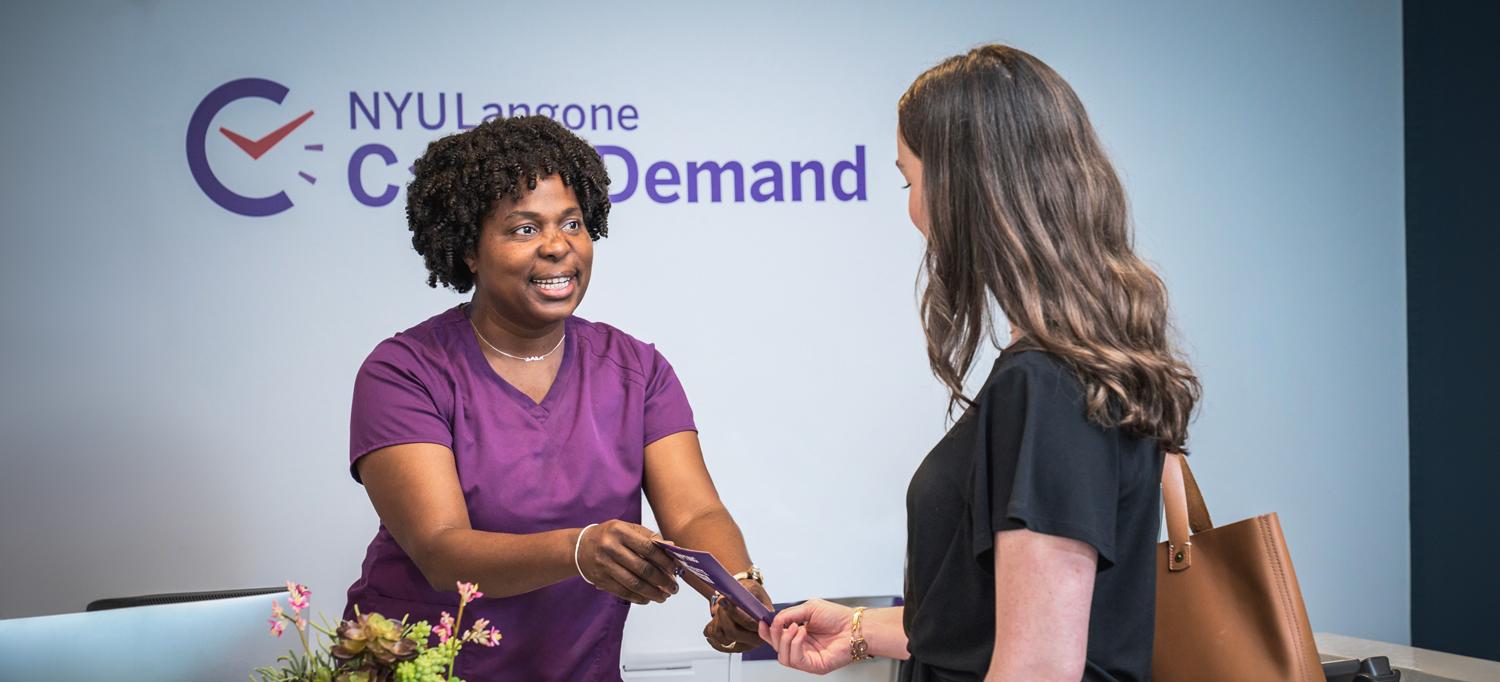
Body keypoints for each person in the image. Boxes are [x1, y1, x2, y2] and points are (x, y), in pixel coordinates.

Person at [759, 45, 1201, 682]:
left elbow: (1038, 668)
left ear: (966, 187)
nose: (913, 212)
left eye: (911, 182)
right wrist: (859, 629)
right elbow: (996, 624)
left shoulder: (1045, 384)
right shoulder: (1071, 369)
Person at [343, 115, 770, 680]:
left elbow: (695, 512)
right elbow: (440, 549)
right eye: (524, 229)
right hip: (423, 669)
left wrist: (734, 589)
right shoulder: (405, 372)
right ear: (470, 249)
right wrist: (579, 550)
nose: (557, 247)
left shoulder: (636, 370)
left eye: (571, 223)